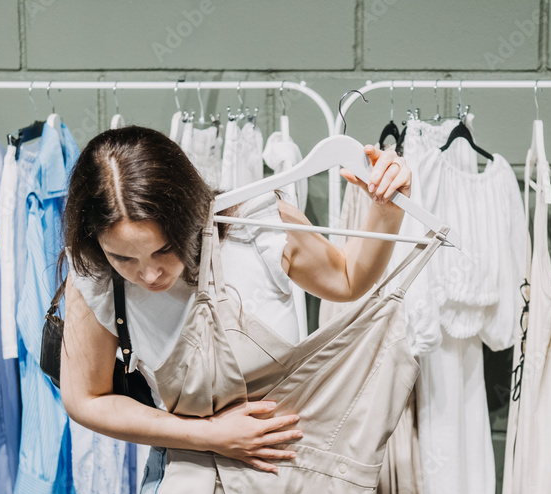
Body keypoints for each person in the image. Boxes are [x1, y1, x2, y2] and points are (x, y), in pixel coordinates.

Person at [59, 126, 412, 471]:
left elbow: (346, 278)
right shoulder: (95, 276)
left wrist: (387, 209)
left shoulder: (255, 224)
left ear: (190, 212)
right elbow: (86, 399)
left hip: (295, 478)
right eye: (124, 258)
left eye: (164, 249)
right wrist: (209, 435)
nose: (150, 274)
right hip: (186, 486)